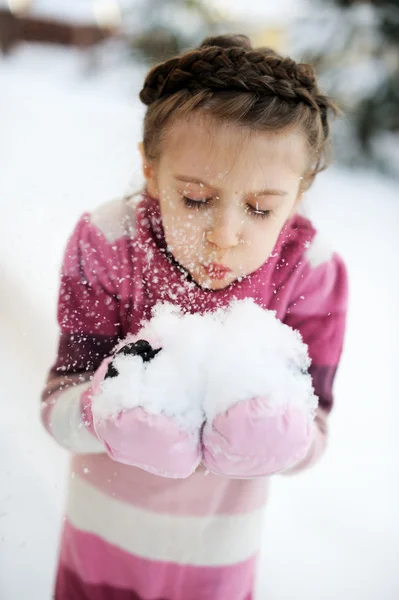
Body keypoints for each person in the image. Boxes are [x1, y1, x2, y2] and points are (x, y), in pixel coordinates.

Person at [41, 34, 348, 600]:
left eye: (260, 208)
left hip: (217, 559)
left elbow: (318, 430)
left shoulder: (311, 268)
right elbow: (55, 409)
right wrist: (104, 415)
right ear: (152, 172)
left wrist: (279, 435)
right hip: (102, 544)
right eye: (197, 199)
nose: (224, 236)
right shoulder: (110, 242)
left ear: (300, 191)